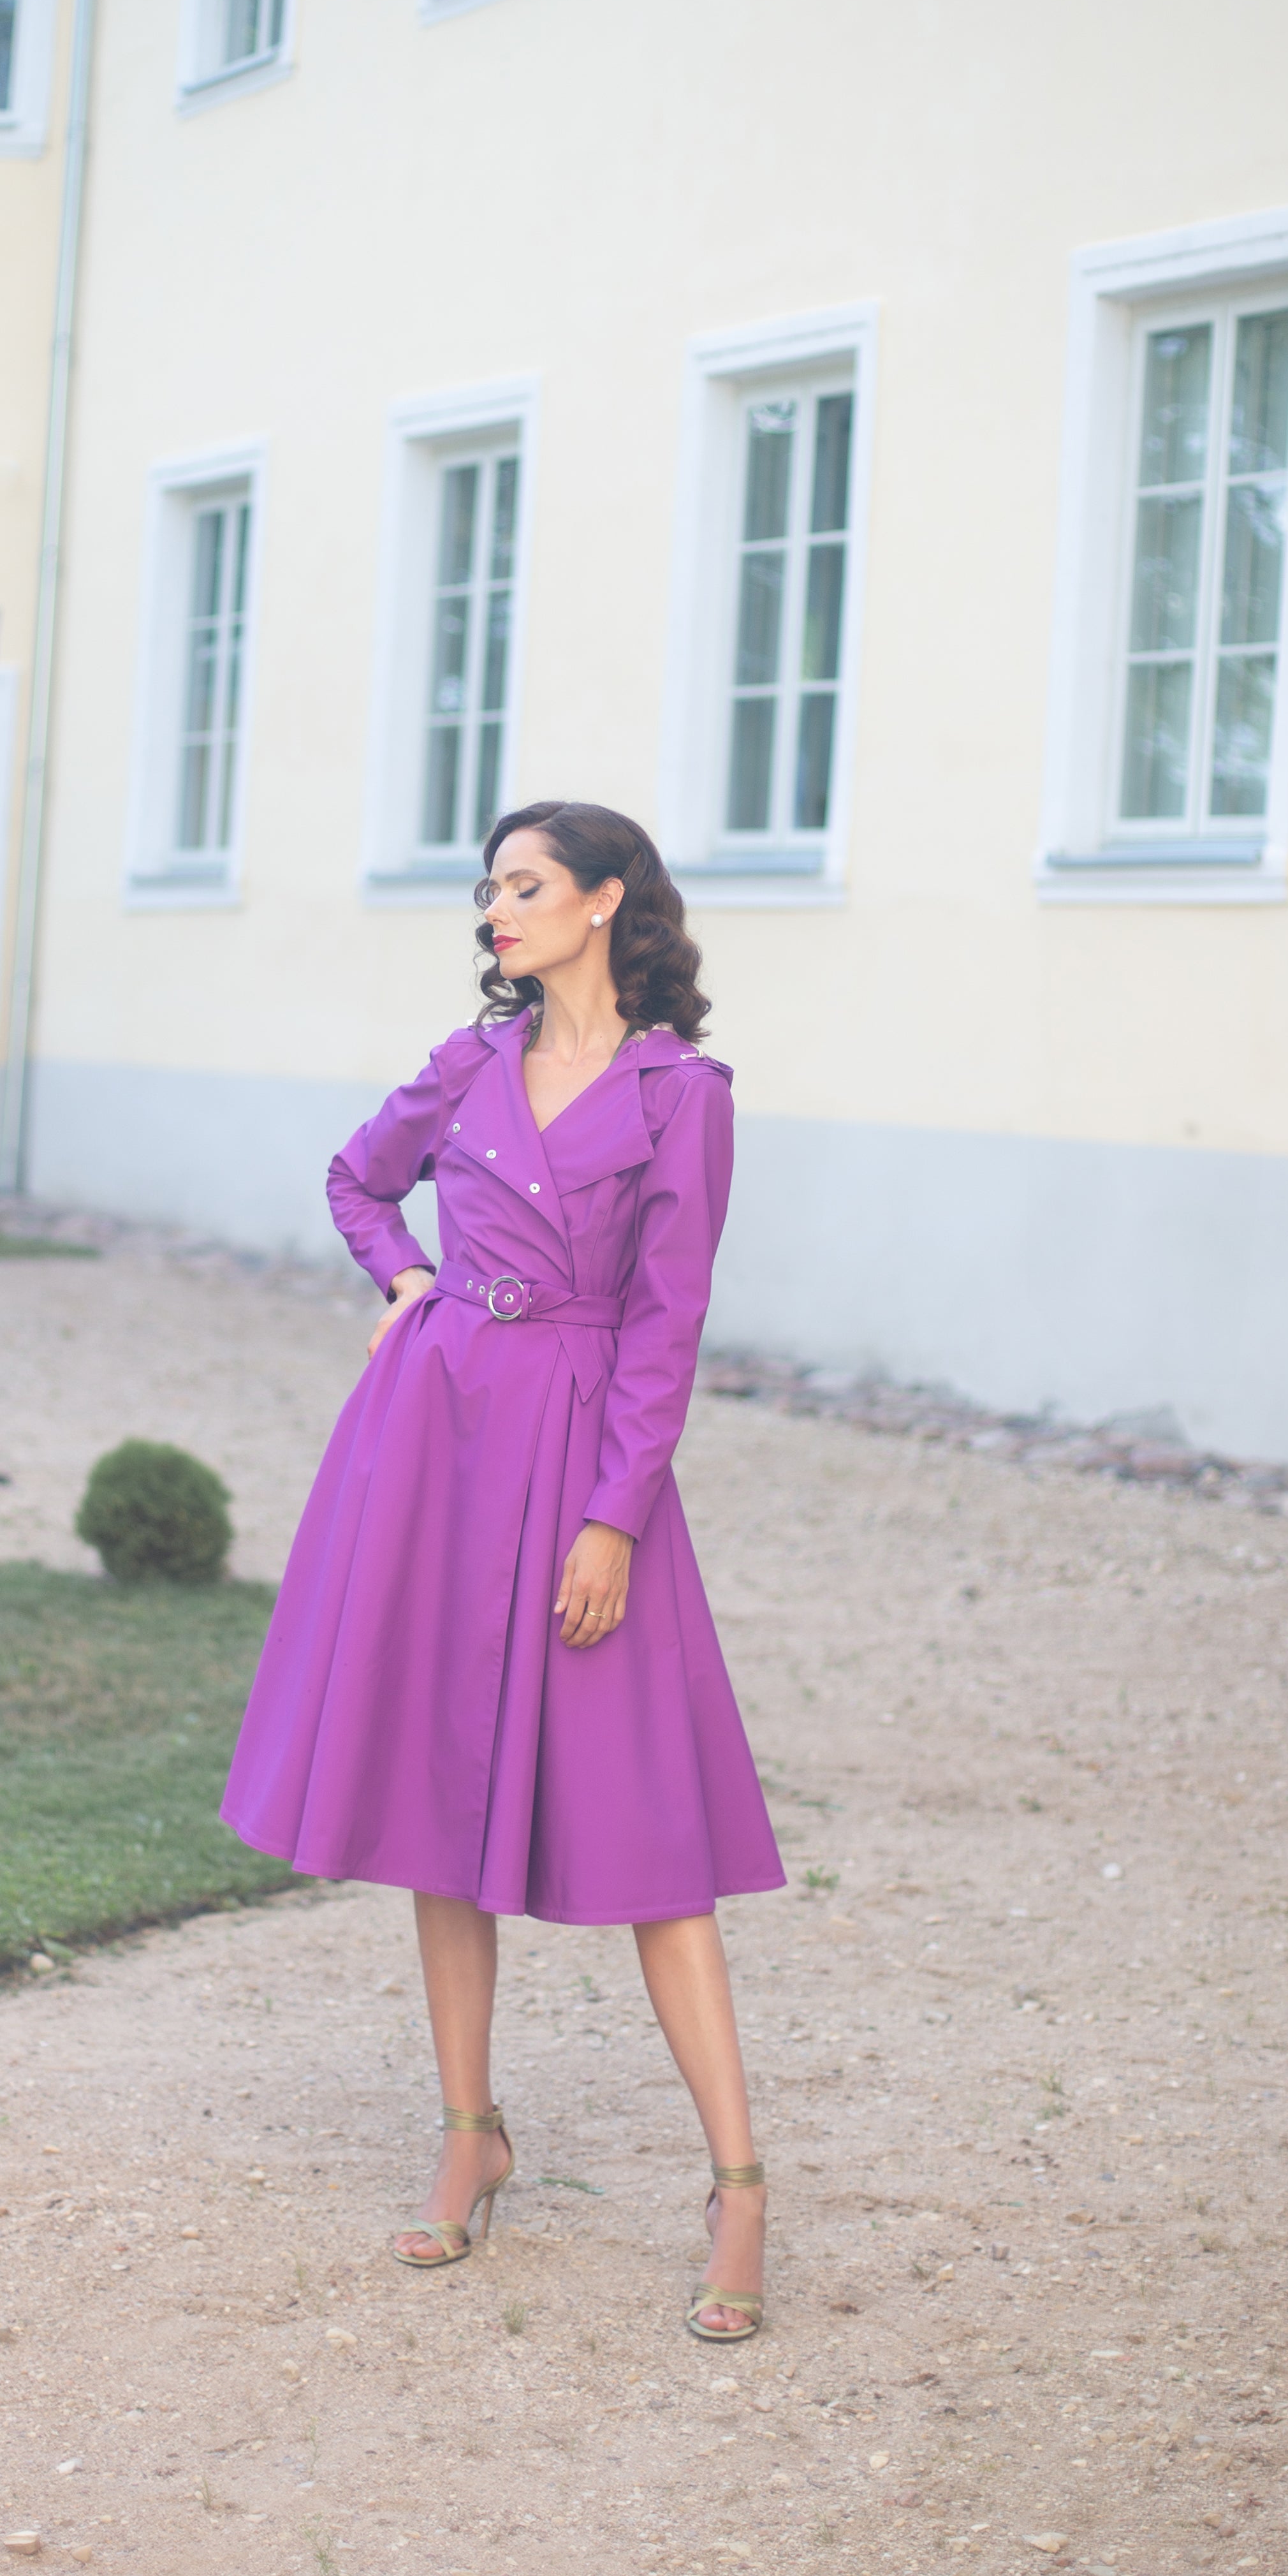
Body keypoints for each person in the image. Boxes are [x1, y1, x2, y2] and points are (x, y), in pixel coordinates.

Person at [221, 799, 784, 2343]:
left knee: (652, 1829)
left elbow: (669, 1326)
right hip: (436, 1438)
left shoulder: (684, 1096)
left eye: (524, 886)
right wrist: (406, 1277)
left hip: (587, 1450)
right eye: (487, 890)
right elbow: (356, 1178)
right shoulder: (466, 1065)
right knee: (438, 1800)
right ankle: (471, 2133)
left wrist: (615, 1516)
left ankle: (738, 2187)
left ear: (605, 902)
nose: (495, 910)